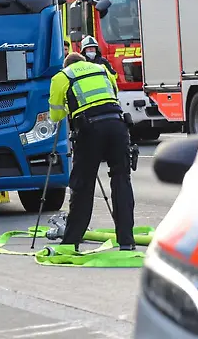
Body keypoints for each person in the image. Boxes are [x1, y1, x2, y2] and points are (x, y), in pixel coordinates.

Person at [48, 52, 135, 251]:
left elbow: (56, 114)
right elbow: (114, 92)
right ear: (84, 62)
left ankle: (71, 241)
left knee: (82, 186)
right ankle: (127, 241)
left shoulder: (62, 77)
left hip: (89, 130)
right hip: (117, 124)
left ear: (67, 65)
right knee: (121, 180)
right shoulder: (102, 69)